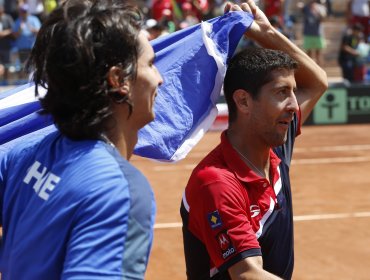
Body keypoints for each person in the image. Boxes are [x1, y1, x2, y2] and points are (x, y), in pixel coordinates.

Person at [0, 0, 163, 278]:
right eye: (150, 63)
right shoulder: (120, 190)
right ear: (118, 80)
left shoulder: (22, 155)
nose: (159, 79)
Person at [180, 1, 328, 279]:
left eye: (294, 92)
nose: (295, 105)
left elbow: (318, 80)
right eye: (282, 92)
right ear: (244, 101)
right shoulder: (216, 183)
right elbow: (248, 274)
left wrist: (265, 31)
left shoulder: (274, 144)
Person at [302, 0, 327, 66]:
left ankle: (320, 69)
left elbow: (323, 18)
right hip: (308, 33)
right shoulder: (305, 7)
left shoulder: (321, 8)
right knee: (308, 54)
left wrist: (318, 12)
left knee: (318, 53)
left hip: (318, 33)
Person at [0, 4, 14, 84]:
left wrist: (3, 33)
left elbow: (12, 29)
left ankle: (8, 83)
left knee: (7, 65)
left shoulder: (7, 17)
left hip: (6, 46)